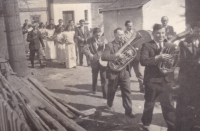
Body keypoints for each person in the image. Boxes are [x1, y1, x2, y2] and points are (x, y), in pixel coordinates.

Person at [140, 24, 175, 131]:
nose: (161, 35)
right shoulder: (146, 45)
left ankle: (172, 127)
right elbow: (143, 61)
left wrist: (171, 61)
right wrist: (158, 57)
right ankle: (146, 124)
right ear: (153, 34)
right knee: (149, 105)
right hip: (152, 81)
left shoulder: (168, 45)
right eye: (158, 33)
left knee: (168, 106)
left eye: (163, 33)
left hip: (166, 80)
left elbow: (175, 61)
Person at [101, 27, 135, 118]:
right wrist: (115, 56)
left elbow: (132, 56)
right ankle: (109, 104)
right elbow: (104, 57)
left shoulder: (127, 44)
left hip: (125, 72)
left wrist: (129, 54)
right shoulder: (110, 45)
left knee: (127, 92)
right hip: (113, 72)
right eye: (119, 35)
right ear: (115, 35)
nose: (121, 37)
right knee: (112, 91)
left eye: (122, 35)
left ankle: (128, 111)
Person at [175, 23, 200, 131]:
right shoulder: (183, 43)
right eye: (197, 31)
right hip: (187, 77)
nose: (198, 33)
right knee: (184, 101)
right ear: (192, 31)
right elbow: (182, 61)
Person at [83, 27, 108, 98]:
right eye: (97, 35)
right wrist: (89, 54)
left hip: (102, 61)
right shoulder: (89, 40)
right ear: (93, 34)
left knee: (103, 77)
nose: (98, 37)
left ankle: (105, 94)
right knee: (94, 76)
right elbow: (85, 49)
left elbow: (107, 49)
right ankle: (94, 89)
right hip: (94, 61)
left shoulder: (104, 39)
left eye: (99, 35)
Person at [124, 20, 144, 92]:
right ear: (125, 26)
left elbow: (141, 41)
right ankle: (126, 88)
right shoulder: (123, 34)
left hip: (136, 56)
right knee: (127, 73)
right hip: (127, 56)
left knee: (139, 73)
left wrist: (138, 47)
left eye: (131, 26)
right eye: (129, 26)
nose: (130, 27)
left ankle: (142, 88)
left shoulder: (136, 33)